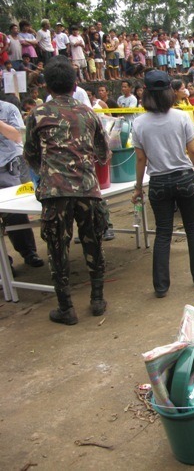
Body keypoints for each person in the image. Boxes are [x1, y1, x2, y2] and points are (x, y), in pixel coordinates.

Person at [23, 56, 111, 325]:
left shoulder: (37, 115)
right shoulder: (88, 113)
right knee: (93, 243)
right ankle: (97, 300)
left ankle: (66, 308)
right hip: (87, 190)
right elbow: (104, 154)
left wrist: (50, 173)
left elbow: (31, 155)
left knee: (57, 248)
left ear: (47, 86)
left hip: (54, 193)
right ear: (75, 86)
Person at [130, 70, 194, 298]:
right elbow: (193, 150)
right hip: (184, 177)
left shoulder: (139, 123)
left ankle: (161, 286)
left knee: (163, 233)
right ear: (169, 92)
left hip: (158, 182)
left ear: (145, 94)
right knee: (193, 228)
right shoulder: (181, 116)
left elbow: (140, 159)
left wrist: (138, 187)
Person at [0, 98, 45, 271]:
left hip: (9, 167)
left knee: (14, 213)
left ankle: (29, 253)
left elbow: (17, 135)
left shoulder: (8, 109)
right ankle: (4, 265)